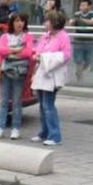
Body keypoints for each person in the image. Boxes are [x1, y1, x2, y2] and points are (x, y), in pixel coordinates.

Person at [30, 10, 72, 146]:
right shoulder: (46, 36)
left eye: (47, 20)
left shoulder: (63, 36)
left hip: (52, 74)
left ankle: (55, 135)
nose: (44, 23)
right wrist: (37, 56)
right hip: (42, 73)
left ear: (54, 22)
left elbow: (65, 55)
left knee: (48, 105)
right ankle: (44, 132)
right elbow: (37, 49)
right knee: (42, 105)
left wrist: (47, 58)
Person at [0, 13, 34, 140]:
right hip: (4, 71)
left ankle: (15, 128)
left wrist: (10, 51)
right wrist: (17, 49)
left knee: (17, 101)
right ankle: (0, 127)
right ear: (12, 23)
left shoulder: (27, 37)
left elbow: (28, 52)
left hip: (19, 73)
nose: (19, 23)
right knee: (3, 100)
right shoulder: (5, 36)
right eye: (16, 21)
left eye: (22, 21)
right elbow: (1, 50)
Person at [68, 0, 93, 81]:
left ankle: (79, 72)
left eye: (84, 5)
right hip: (78, 40)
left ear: (89, 6)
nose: (81, 7)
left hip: (89, 40)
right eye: (80, 5)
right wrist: (73, 21)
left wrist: (81, 19)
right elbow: (70, 24)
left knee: (88, 61)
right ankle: (79, 79)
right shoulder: (77, 14)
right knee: (78, 60)